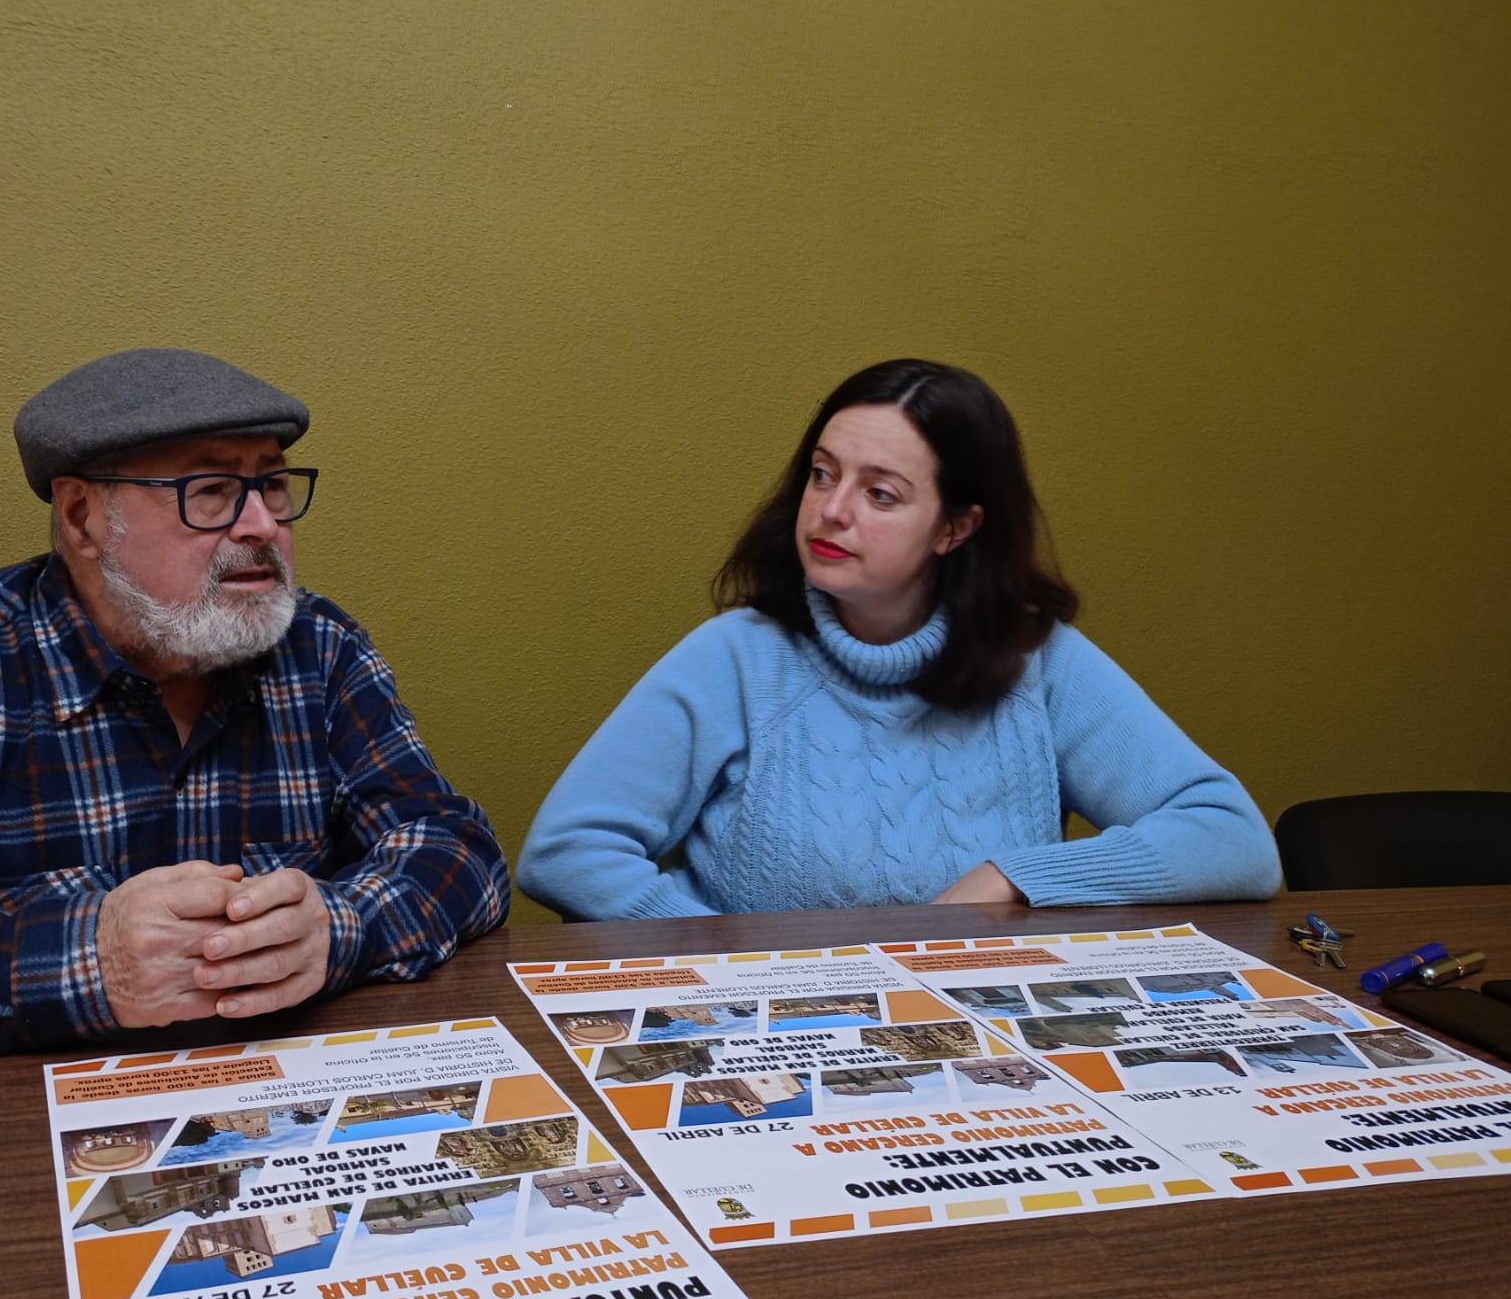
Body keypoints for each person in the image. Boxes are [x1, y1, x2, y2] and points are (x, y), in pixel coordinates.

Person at [0, 347, 509, 1058]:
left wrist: (339, 926)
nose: (262, 525)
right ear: (82, 516)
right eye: (212, 491)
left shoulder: (318, 649)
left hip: (284, 1108)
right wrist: (81, 959)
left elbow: (458, 851)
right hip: (16, 1155)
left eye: (273, 484)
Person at [519, 358, 1279, 919]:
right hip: (774, 1034)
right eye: (822, 475)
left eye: (880, 493)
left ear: (956, 527)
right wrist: (736, 961)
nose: (832, 511)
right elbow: (567, 854)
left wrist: (1015, 878)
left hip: (980, 1038)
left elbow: (1234, 840)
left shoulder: (1037, 659)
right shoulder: (737, 658)